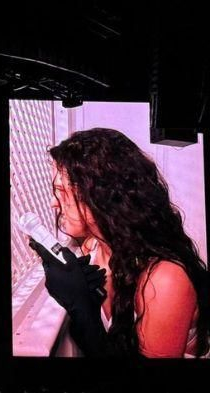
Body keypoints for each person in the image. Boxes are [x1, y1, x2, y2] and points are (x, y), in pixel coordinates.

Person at [32, 128, 209, 359]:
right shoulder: (92, 247)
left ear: (100, 195)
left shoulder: (163, 279)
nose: (53, 204)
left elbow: (148, 391)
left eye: (61, 192)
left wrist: (82, 307)